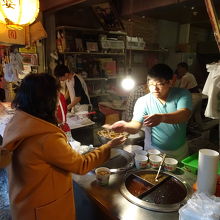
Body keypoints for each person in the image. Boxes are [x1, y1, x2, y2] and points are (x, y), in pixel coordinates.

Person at [0, 73, 125, 220]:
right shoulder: (45, 137)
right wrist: (108, 146)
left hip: (25, 205)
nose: (57, 103)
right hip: (44, 211)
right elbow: (81, 165)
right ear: (46, 101)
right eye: (55, 98)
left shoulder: (17, 122)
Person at [105, 64, 192, 160]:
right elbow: (135, 126)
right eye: (151, 84)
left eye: (160, 84)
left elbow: (184, 114)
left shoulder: (182, 94)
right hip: (154, 151)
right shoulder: (143, 101)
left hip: (179, 151)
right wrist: (125, 126)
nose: (155, 88)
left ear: (170, 82)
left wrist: (162, 118)